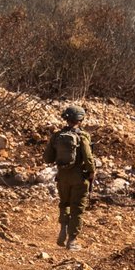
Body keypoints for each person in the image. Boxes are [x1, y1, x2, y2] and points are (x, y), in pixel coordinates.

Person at [43, 104, 95, 249]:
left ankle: (63, 228)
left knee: (64, 203)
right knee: (77, 207)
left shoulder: (57, 136)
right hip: (79, 177)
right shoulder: (83, 135)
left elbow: (47, 158)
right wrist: (92, 172)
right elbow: (88, 158)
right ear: (80, 119)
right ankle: (72, 241)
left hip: (62, 177)